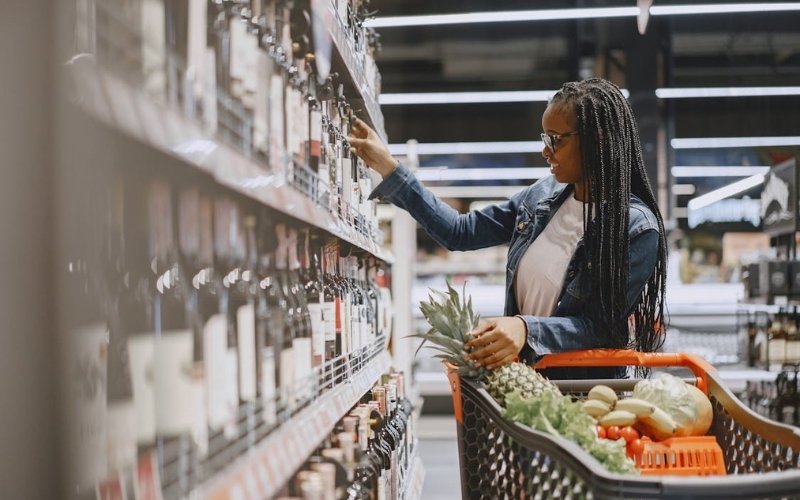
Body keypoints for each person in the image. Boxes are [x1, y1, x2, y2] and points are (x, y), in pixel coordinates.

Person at [349, 78, 667, 379]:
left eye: (555, 139)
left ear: (596, 140)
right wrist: (389, 167)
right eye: (545, 138)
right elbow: (460, 231)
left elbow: (600, 327)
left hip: (586, 394)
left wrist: (526, 329)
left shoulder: (636, 229)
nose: (545, 150)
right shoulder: (539, 198)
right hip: (525, 384)